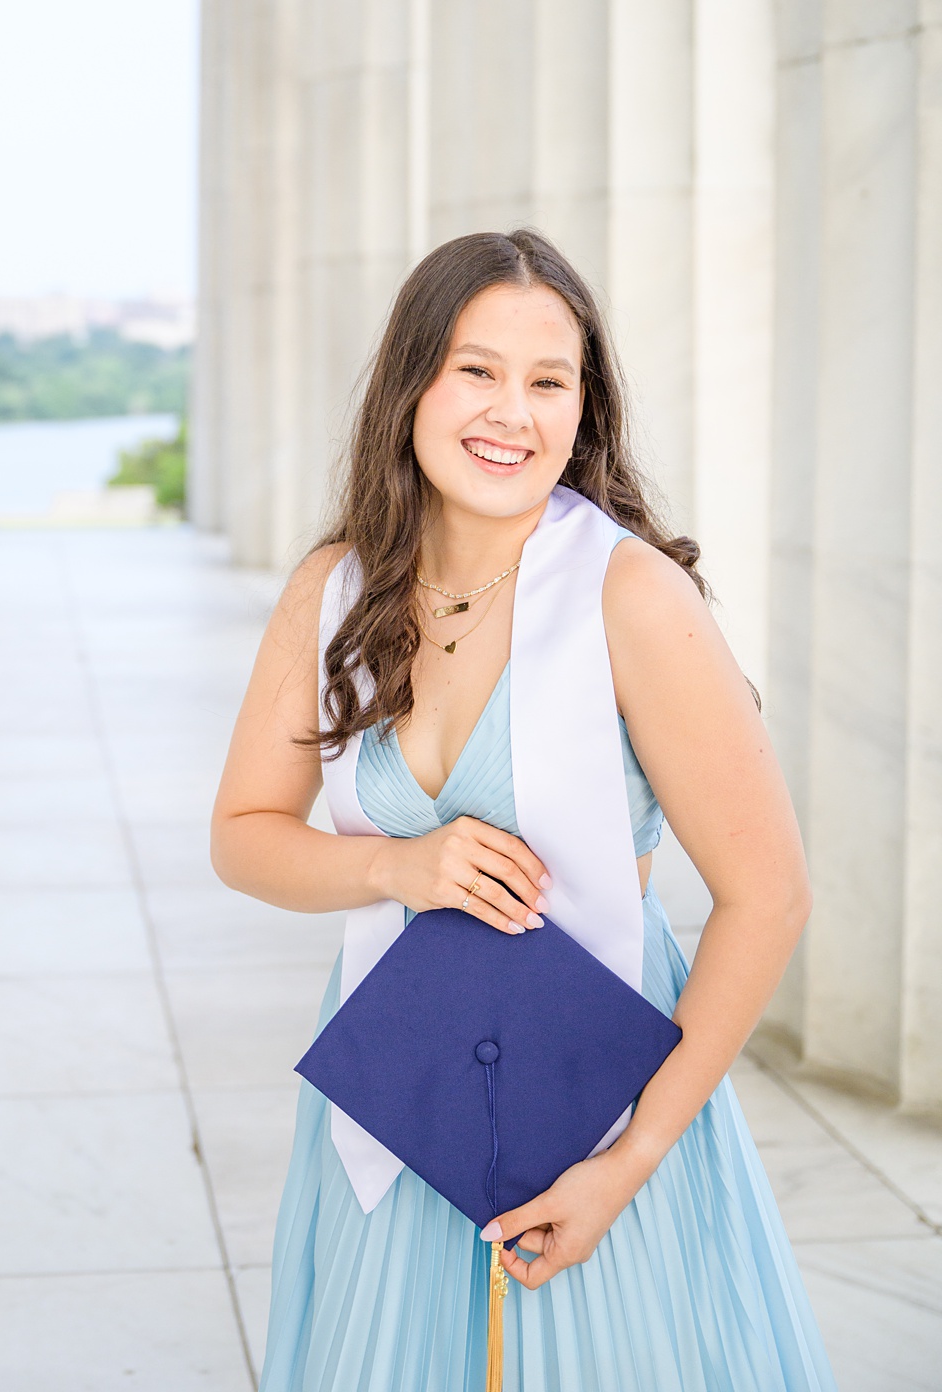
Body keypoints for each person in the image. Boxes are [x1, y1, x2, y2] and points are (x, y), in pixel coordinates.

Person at [210, 231, 836, 1389]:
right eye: (476, 369)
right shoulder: (337, 589)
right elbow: (245, 834)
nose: (513, 411)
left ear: (584, 407)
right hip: (401, 1087)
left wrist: (632, 1155)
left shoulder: (631, 596)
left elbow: (771, 894)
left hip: (598, 1097)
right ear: (412, 386)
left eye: (549, 380)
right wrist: (395, 868)